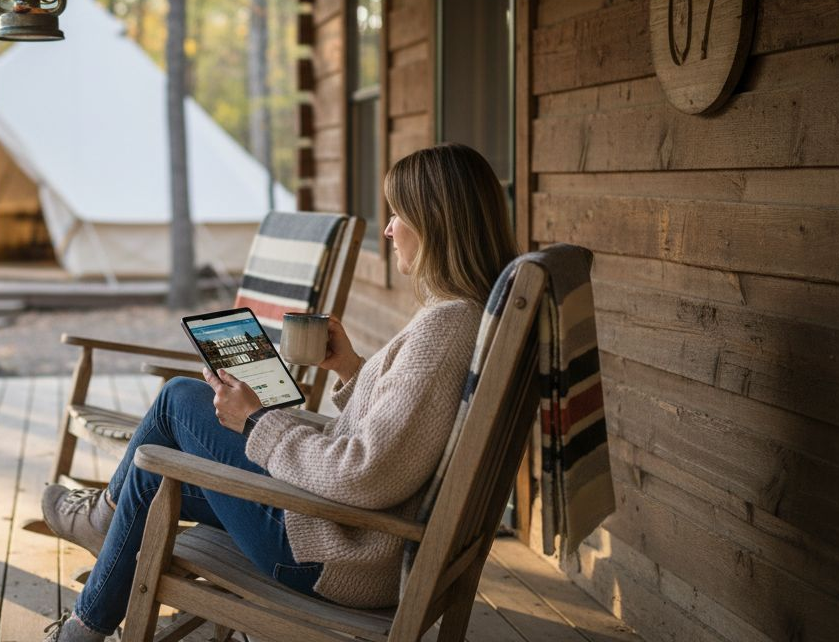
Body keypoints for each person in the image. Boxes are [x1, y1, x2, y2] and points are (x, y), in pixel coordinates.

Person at [40, 143, 518, 641]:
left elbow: (365, 474)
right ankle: (85, 614)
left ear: (436, 222)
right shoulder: (465, 317)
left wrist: (256, 421)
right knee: (151, 476)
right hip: (344, 533)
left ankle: (99, 524)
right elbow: (405, 437)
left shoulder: (444, 329)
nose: (390, 228)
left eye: (399, 214)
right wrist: (351, 368)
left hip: (332, 554)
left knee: (179, 403)